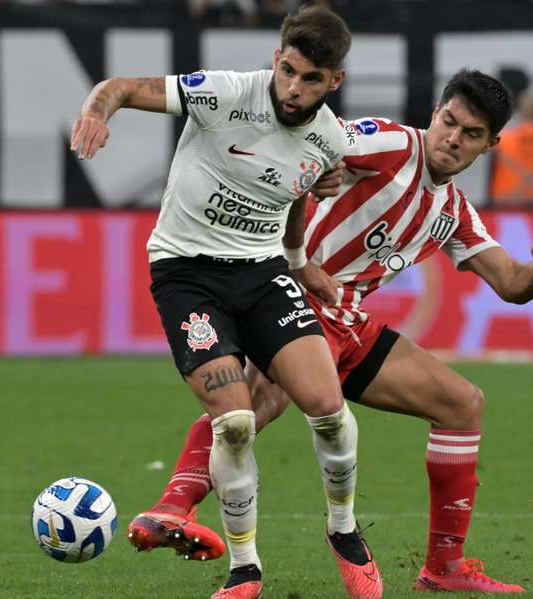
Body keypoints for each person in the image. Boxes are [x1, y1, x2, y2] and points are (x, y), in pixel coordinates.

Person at [128, 69, 533, 593]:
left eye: (471, 134)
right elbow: (311, 145)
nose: (454, 138)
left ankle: (443, 567)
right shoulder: (388, 142)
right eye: (449, 122)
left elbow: (511, 283)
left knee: (462, 404)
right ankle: (172, 508)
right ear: (434, 113)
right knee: (255, 401)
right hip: (290, 296)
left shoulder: (452, 212)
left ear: (491, 144)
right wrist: (313, 189)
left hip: (348, 322)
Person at [70, 7, 383, 599]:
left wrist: (296, 259)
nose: (293, 89)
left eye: (310, 79)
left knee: (329, 408)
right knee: (235, 422)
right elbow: (122, 87)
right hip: (187, 275)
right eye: (287, 70)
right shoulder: (222, 94)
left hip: (263, 274)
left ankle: (342, 529)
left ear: (334, 81)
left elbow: (294, 198)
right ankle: (245, 570)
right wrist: (95, 112)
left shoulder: (330, 141)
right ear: (275, 57)